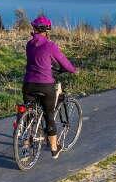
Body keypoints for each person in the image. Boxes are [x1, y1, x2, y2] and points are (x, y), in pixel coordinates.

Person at [22, 15, 77, 159]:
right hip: (45, 85)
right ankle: (53, 147)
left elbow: (37, 60)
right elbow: (64, 63)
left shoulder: (29, 44)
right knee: (49, 115)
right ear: (47, 30)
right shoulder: (50, 45)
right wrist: (73, 69)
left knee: (29, 113)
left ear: (34, 28)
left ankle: (25, 146)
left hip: (28, 84)